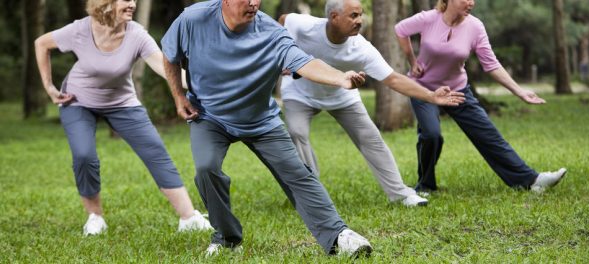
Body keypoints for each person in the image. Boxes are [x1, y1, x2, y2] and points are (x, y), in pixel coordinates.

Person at [161, 0, 381, 257]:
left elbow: (304, 62)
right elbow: (170, 54)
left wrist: (339, 78)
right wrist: (178, 96)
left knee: (298, 174)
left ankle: (338, 235)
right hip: (210, 116)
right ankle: (226, 237)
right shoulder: (193, 19)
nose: (255, 3)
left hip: (260, 120)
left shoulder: (272, 33)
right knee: (206, 168)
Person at [34, 0, 212, 235]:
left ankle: (189, 218)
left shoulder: (136, 34)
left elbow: (163, 67)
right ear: (106, 3)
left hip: (121, 102)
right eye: (126, 0)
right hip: (77, 100)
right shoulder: (81, 29)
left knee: (155, 151)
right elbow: (41, 43)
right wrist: (49, 87)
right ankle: (95, 217)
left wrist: (208, 82)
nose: (132, 4)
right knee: (84, 155)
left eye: (134, 0)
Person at [278, 0, 465, 208]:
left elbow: (393, 79)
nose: (360, 21)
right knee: (297, 132)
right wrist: (284, 54)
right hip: (300, 93)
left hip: (342, 95)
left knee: (372, 139)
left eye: (361, 15)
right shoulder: (305, 25)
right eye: (354, 16)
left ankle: (401, 194)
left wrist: (431, 96)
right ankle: (310, 194)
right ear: (334, 17)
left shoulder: (361, 48)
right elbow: (283, 21)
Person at [394, 0, 567, 195]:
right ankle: (425, 185)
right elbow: (400, 30)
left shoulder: (475, 26)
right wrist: (412, 60)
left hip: (457, 91)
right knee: (431, 135)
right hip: (423, 89)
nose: (472, 2)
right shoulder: (428, 19)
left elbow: (491, 65)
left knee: (488, 135)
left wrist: (519, 91)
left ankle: (532, 180)